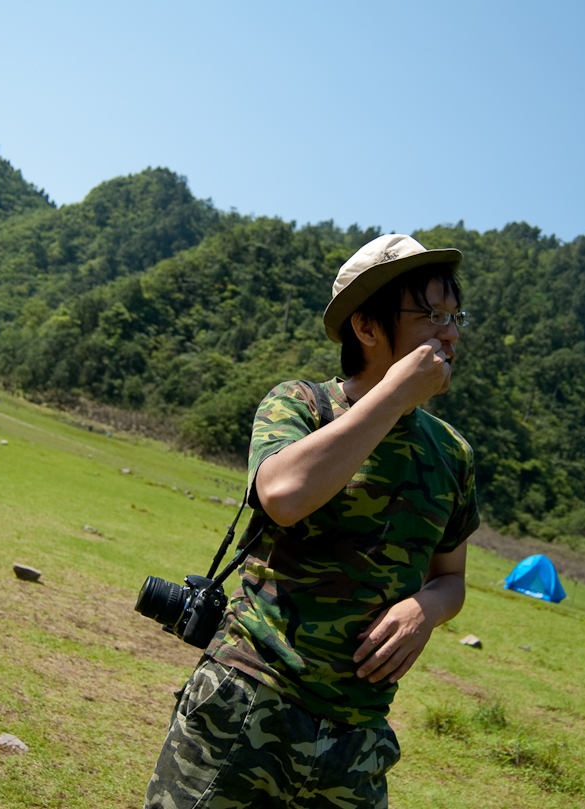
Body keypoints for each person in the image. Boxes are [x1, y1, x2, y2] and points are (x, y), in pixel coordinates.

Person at [144, 234, 479, 809]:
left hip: (357, 741)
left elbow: (450, 576)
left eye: (455, 316)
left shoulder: (452, 454)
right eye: (430, 315)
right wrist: (396, 395)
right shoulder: (300, 405)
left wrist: (427, 608)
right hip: (248, 704)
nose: (449, 332)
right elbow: (282, 495)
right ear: (367, 327)